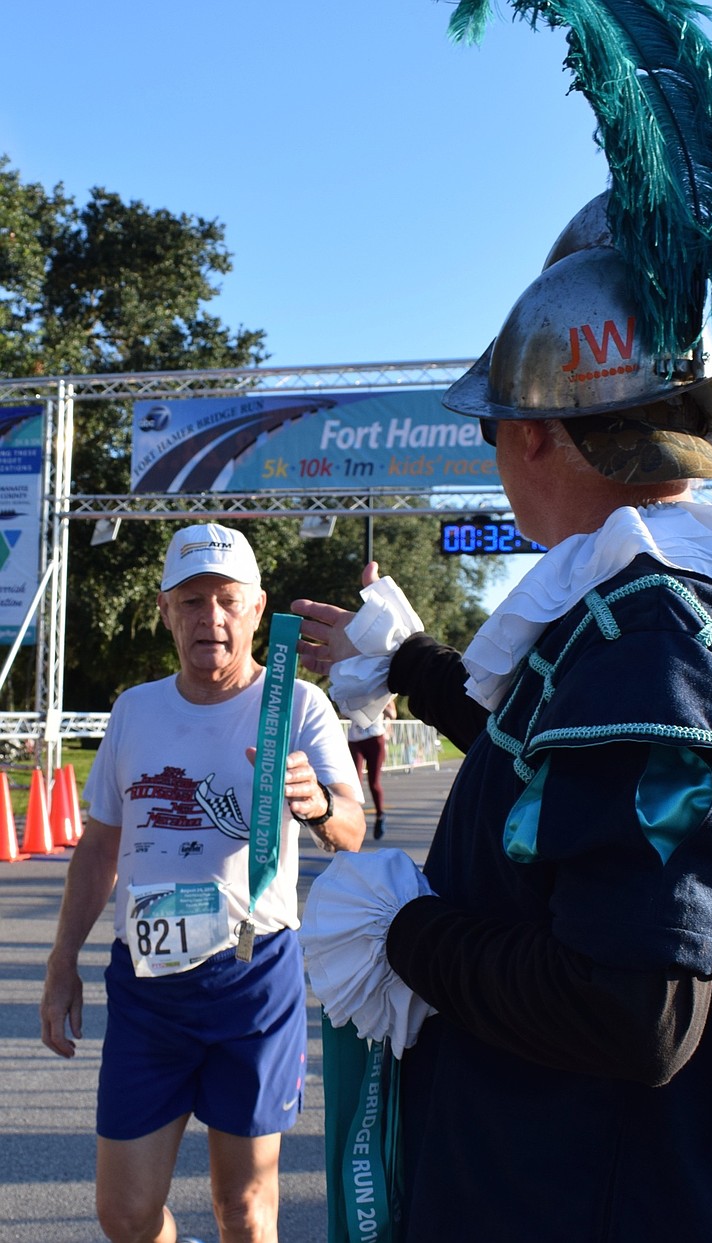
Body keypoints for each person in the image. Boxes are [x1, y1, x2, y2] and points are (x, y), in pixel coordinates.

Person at [291, 197, 712, 1242]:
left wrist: (404, 931)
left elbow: (632, 1008)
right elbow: (550, 761)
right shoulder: (669, 604)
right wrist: (405, 662)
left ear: (533, 429)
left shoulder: (647, 643)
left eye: (491, 425)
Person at [40, 522, 365, 1243]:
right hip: (147, 984)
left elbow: (354, 826)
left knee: (244, 1210)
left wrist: (315, 804)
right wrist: (62, 960)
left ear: (256, 608)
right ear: (164, 610)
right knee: (124, 1213)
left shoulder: (297, 706)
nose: (208, 618)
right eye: (190, 601)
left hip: (250, 977)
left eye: (225, 600)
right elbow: (100, 846)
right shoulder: (136, 709)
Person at [346, 697, 397, 838]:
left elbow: (392, 715)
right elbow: (344, 712)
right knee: (355, 781)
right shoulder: (352, 688)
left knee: (373, 782)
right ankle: (352, 820)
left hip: (374, 738)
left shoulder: (381, 692)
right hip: (355, 739)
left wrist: (376, 703)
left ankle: (380, 816)